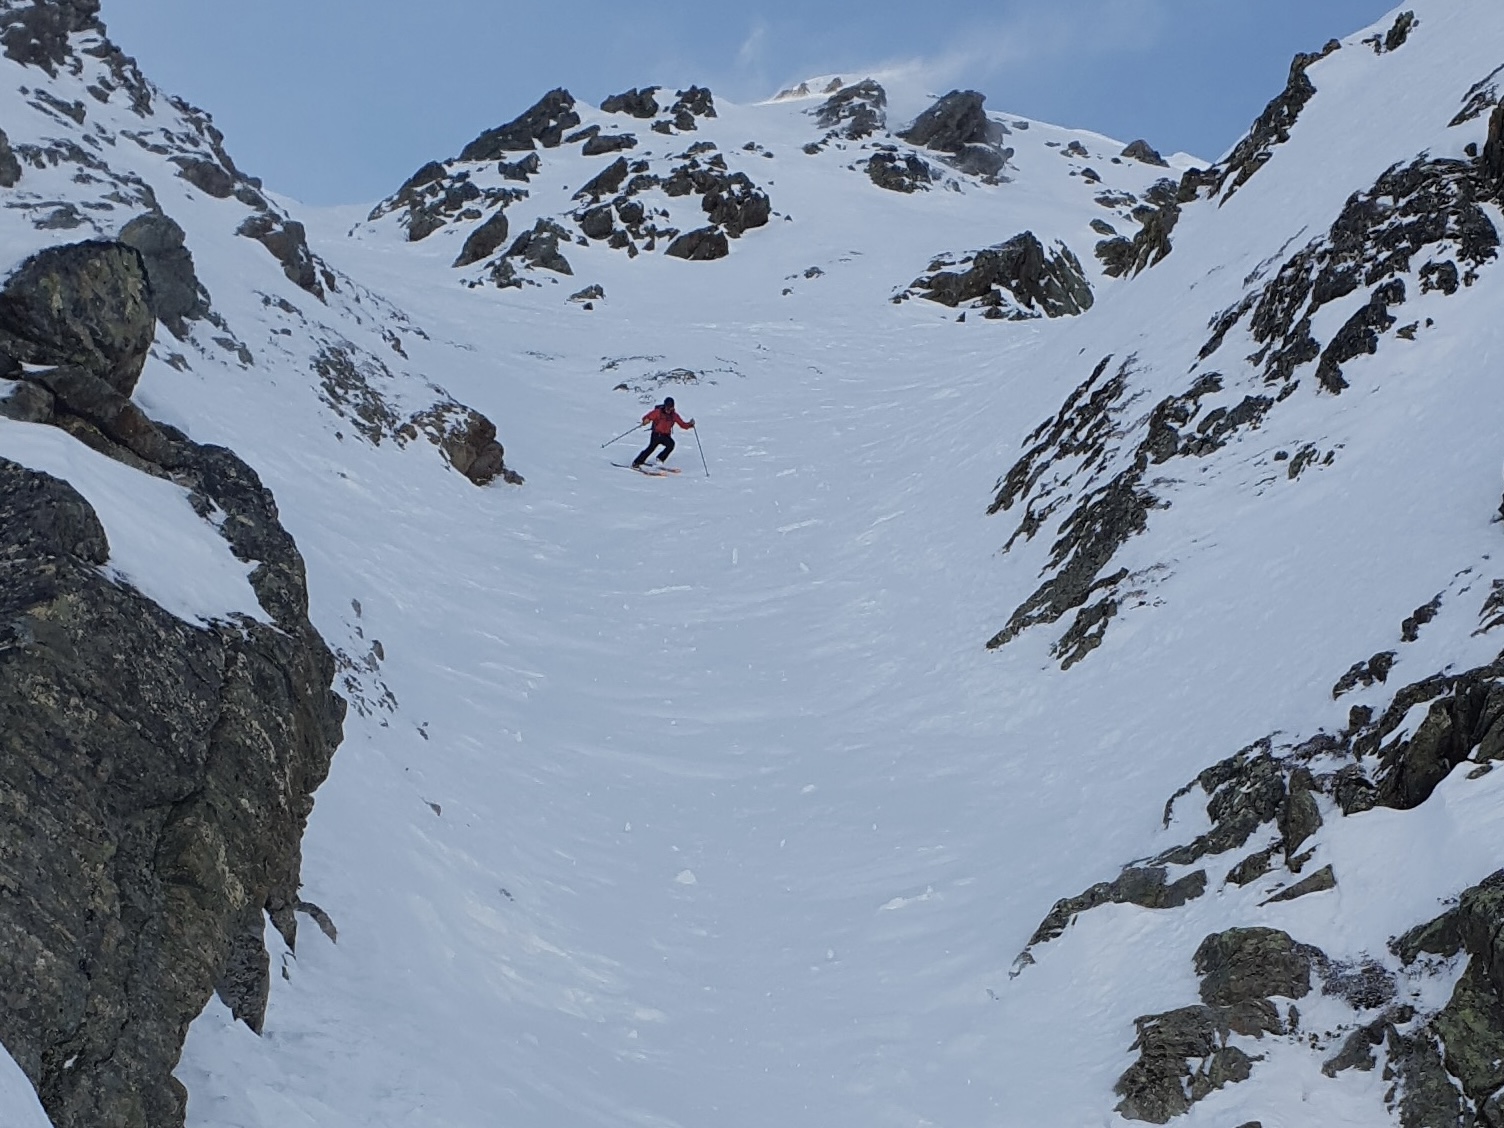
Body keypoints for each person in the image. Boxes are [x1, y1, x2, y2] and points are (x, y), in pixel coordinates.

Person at [632, 396, 695, 467]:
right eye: (667, 408)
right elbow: (648, 416)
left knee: (671, 445)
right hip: (656, 434)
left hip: (666, 436)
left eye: (670, 408)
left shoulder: (674, 415)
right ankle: (637, 462)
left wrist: (690, 424)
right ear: (664, 406)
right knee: (650, 448)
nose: (668, 410)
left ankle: (660, 459)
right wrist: (646, 420)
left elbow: (682, 424)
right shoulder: (658, 412)